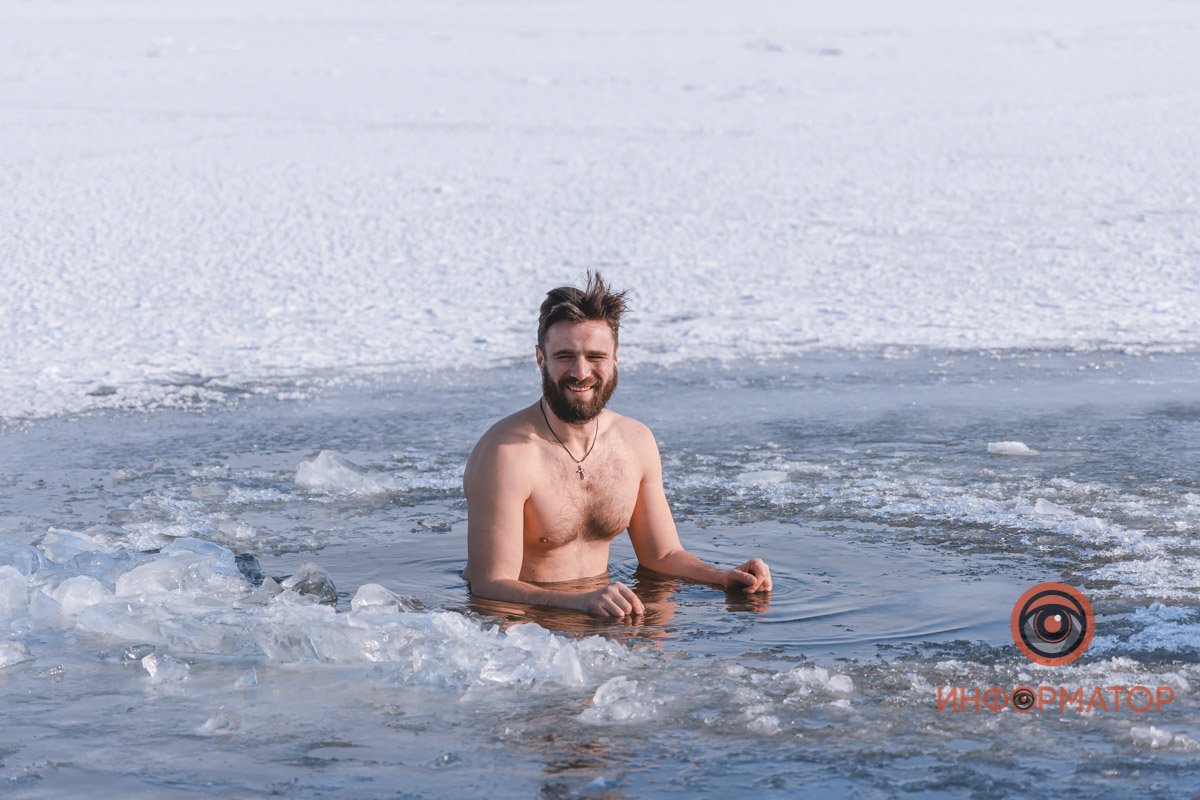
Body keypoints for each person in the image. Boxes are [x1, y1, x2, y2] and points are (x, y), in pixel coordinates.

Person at [462, 272, 772, 618]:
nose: (581, 372)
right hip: (527, 634)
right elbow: (489, 585)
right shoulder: (506, 454)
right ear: (540, 359)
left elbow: (662, 555)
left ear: (615, 358)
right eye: (565, 356)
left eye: (595, 356)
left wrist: (722, 577)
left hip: (601, 618)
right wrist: (579, 602)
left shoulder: (635, 441)